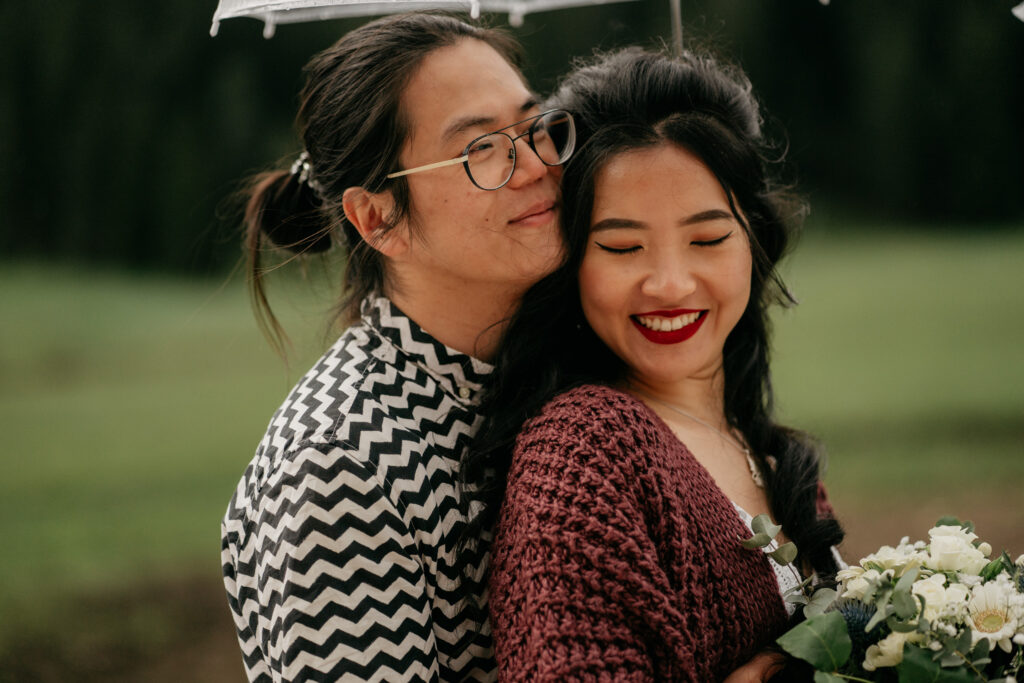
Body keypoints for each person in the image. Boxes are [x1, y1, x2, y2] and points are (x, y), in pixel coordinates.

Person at [461, 47, 846, 681]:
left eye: (708, 239)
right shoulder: (583, 450)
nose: (669, 284)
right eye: (621, 245)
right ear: (570, 262)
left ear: (754, 239)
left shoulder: (764, 450)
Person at [220, 13, 575, 682]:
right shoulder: (338, 467)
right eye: (483, 149)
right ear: (377, 217)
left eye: (534, 126)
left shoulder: (556, 372)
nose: (535, 164)